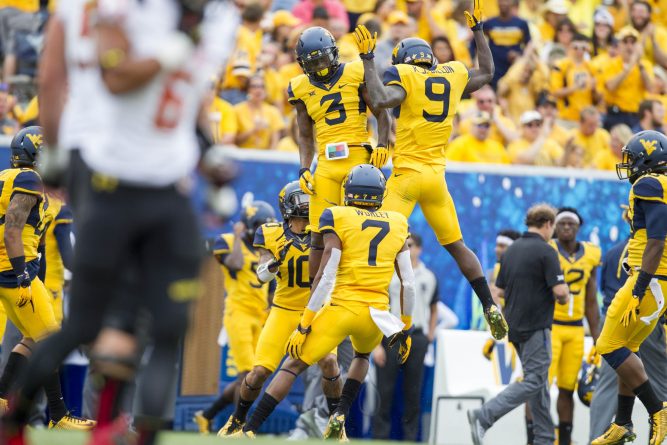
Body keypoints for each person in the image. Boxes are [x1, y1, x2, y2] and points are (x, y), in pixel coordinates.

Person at [3, 1, 240, 444]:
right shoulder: (124, 10)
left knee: (166, 325)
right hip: (108, 177)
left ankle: (127, 431)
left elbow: (189, 95)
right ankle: (15, 422)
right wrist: (53, 152)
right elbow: (110, 77)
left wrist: (208, 153)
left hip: (169, 186)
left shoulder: (220, 19)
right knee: (88, 325)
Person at [353, 0, 509, 340]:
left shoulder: (405, 75)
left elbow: (379, 101)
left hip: (407, 176)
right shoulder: (451, 74)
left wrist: (367, 60)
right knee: (456, 246)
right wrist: (478, 31)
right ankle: (488, 303)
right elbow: (486, 72)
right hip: (437, 178)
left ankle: (375, 305)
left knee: (381, 242)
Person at [235, 164, 414, 440]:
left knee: (295, 365)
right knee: (360, 357)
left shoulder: (337, 216)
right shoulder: (399, 222)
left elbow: (326, 275)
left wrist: (306, 323)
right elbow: (408, 283)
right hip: (375, 312)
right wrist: (405, 326)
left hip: (337, 306)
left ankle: (250, 428)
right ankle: (339, 415)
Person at [211, 183, 343, 437]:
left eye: (308, 198)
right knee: (259, 371)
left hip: (317, 310)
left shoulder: (326, 229)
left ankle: (335, 425)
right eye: (301, 198)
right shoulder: (270, 233)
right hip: (284, 309)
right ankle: (237, 419)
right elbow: (261, 275)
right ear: (288, 205)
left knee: (329, 362)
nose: (306, 203)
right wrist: (273, 264)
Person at [0, 127, 93, 430]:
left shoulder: (11, 177)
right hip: (11, 268)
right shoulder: (29, 179)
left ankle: (2, 399)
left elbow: (34, 237)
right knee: (50, 339)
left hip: (14, 266)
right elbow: (13, 228)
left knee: (30, 337)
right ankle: (58, 414)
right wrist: (21, 272)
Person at [289, 26, 391, 285]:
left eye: (323, 59)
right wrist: (303, 168)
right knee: (318, 237)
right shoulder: (300, 87)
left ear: (333, 54)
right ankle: (314, 296)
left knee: (358, 228)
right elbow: (304, 134)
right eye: (313, 63)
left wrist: (382, 144)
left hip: (358, 160)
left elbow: (380, 110)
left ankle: (359, 287)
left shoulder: (355, 71)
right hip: (324, 164)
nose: (321, 68)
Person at [468, 204, 569, 445]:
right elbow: (560, 293)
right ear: (547, 224)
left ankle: (544, 439)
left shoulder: (511, 252)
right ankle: (484, 416)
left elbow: (497, 291)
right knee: (535, 380)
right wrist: (566, 293)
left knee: (540, 383)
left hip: (515, 327)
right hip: (536, 327)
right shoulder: (547, 252)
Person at [592, 130, 667, 445]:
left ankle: (657, 410)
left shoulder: (648, 184)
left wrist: (638, 288)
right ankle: (623, 421)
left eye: (633, 158)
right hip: (657, 281)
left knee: (607, 345)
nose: (629, 164)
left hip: (649, 282)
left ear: (648, 159)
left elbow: (656, 240)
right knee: (629, 348)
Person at [196, 201, 277, 430]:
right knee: (247, 374)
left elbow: (271, 285)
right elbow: (234, 264)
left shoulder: (266, 250)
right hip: (238, 312)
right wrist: (239, 238)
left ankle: (207, 415)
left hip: (260, 315)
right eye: (261, 225)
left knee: (255, 375)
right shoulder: (229, 242)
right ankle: (238, 426)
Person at [372, 233, 438, 442]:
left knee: (413, 391)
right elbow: (378, 308)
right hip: (391, 335)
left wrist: (429, 335)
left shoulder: (429, 277)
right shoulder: (389, 273)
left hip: (417, 337)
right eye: (405, 246)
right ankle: (380, 437)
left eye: (412, 246)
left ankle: (410, 438)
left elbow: (434, 307)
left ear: (419, 249)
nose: (408, 250)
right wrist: (376, 345)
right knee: (385, 390)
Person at [544, 207, 601, 445]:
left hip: (576, 329)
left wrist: (598, 338)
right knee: (540, 388)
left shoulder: (591, 253)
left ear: (578, 227)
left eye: (571, 224)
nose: (566, 227)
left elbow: (590, 300)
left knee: (567, 389)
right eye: (562, 223)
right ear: (555, 226)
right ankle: (536, 438)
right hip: (550, 326)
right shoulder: (547, 250)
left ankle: (565, 439)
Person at [601, 26, 654, 130]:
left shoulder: (645, 65)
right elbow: (611, 86)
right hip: (616, 114)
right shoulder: (610, 64)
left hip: (636, 115)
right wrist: (630, 65)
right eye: (625, 42)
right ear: (619, 45)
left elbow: (651, 88)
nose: (629, 46)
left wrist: (639, 64)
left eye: (633, 42)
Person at [483, 0, 531, 88]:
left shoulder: (521, 24)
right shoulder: (489, 23)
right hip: (494, 70)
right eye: (501, 1)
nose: (504, 3)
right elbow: (477, 44)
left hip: (514, 70)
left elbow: (529, 44)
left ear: (512, 3)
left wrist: (519, 56)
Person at [550, 34, 596, 124]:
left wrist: (594, 90)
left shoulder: (591, 67)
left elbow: (598, 97)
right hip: (566, 117)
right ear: (570, 47)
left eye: (583, 48)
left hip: (586, 118)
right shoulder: (560, 65)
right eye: (576, 48)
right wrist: (575, 87)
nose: (579, 51)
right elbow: (554, 92)